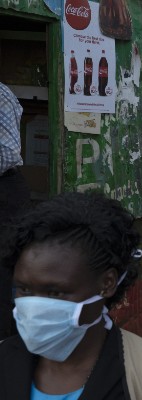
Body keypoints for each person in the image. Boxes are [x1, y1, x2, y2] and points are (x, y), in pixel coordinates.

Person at [0, 192, 142, 399]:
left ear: (107, 283)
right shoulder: (5, 361)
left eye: (54, 292)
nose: (34, 306)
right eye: (24, 290)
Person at [0, 82, 30, 340]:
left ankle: (7, 342)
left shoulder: (0, 95)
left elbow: (8, 154)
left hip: (4, 189)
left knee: (4, 267)